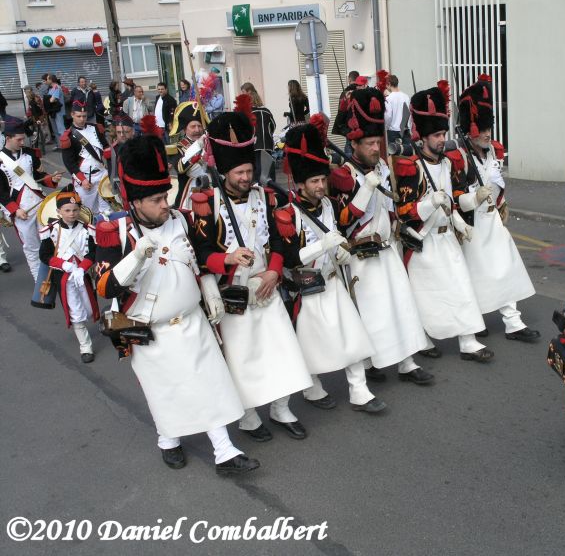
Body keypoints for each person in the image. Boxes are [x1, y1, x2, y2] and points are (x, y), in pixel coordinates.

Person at [94, 129, 259, 475]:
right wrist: (136, 256)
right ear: (136, 201)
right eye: (156, 199)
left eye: (165, 195)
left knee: (210, 385)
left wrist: (225, 263)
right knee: (167, 393)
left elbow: (204, 257)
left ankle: (224, 451)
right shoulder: (115, 231)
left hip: (193, 320)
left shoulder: (182, 219)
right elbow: (105, 287)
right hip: (151, 331)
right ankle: (168, 440)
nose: (164, 204)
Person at [192, 107, 313, 441]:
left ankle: (281, 408)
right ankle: (248, 416)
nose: (246, 177)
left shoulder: (265, 197)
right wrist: (228, 258)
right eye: (239, 172)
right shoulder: (207, 203)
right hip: (234, 292)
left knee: (282, 351)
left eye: (248, 170)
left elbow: (278, 240)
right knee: (243, 360)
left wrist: (274, 272)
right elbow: (201, 254)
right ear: (225, 171)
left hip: (267, 284)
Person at [275, 119, 386, 413]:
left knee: (353, 336)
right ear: (300, 184)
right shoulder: (288, 214)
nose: (321, 186)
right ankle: (312, 387)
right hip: (308, 288)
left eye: (322, 180)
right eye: (314, 182)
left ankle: (359, 390)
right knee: (310, 345)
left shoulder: (329, 204)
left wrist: (340, 251)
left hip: (334, 280)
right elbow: (290, 259)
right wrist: (322, 246)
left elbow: (347, 219)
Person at [330, 86, 434, 385]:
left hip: (388, 247)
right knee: (372, 313)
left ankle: (407, 362)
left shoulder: (383, 169)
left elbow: (392, 209)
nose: (376, 148)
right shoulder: (344, 174)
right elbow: (342, 221)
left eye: (378, 142)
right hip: (361, 252)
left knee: (401, 306)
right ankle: (370, 362)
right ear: (355, 143)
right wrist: (364, 190)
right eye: (370, 143)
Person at [394, 82, 490, 362]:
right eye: (437, 135)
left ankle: (468, 341)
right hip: (424, 240)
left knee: (462, 286)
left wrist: (474, 201)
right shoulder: (410, 166)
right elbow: (405, 211)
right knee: (424, 296)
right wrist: (429, 203)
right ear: (423, 137)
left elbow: (456, 200)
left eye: (444, 134)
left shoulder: (449, 163)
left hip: (448, 237)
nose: (442, 139)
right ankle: (423, 339)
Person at [453, 75, 539, 343]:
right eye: (482, 129)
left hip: (493, 221)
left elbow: (497, 184)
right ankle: (476, 318)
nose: (488, 134)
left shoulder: (491, 152)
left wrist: (501, 202)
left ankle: (513, 322)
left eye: (489, 128)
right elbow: (455, 198)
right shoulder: (460, 157)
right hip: (473, 224)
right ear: (470, 130)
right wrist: (474, 198)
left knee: (506, 268)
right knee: (476, 275)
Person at [38, 188, 100, 363]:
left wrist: (83, 267)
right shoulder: (50, 230)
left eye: (74, 210)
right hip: (63, 277)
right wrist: (63, 264)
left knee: (89, 307)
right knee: (75, 311)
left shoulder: (87, 229)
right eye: (67, 210)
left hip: (83, 274)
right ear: (59, 211)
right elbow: (44, 255)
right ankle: (85, 346)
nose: (71, 213)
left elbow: (93, 252)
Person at [0, 116, 62, 279]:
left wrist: (52, 179)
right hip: (21, 211)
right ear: (8, 138)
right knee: (32, 248)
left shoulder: (29, 153)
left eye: (23, 139)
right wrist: (15, 210)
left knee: (50, 241)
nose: (22, 142)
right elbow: (1, 192)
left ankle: (54, 276)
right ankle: (39, 280)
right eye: (19, 139)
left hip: (39, 204)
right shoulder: (1, 160)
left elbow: (38, 176)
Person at [60, 100, 111, 217]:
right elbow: (69, 163)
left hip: (102, 174)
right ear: (72, 115)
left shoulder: (96, 128)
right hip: (86, 178)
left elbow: (105, 146)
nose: (82, 119)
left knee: (107, 210)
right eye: (79, 116)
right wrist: (82, 180)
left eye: (84, 116)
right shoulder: (68, 136)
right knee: (87, 212)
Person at [170, 100, 210, 209]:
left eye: (199, 126)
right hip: (189, 195)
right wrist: (197, 146)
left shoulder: (209, 143)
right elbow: (180, 168)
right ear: (185, 129)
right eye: (193, 126)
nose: (197, 130)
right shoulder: (177, 147)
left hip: (211, 191)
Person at [240, 83, 276, 183]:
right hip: (267, 143)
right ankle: (271, 186)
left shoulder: (248, 112)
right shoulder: (266, 111)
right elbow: (273, 126)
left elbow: (245, 128)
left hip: (254, 142)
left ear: (249, 93)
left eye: (243, 92)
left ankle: (259, 186)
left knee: (257, 166)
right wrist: (268, 134)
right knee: (268, 166)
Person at [384, 74, 411, 147]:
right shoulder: (406, 96)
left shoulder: (389, 98)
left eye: (386, 85)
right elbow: (409, 114)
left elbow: (388, 116)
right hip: (405, 129)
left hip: (393, 131)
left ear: (389, 84)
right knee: (406, 152)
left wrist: (387, 127)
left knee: (394, 152)